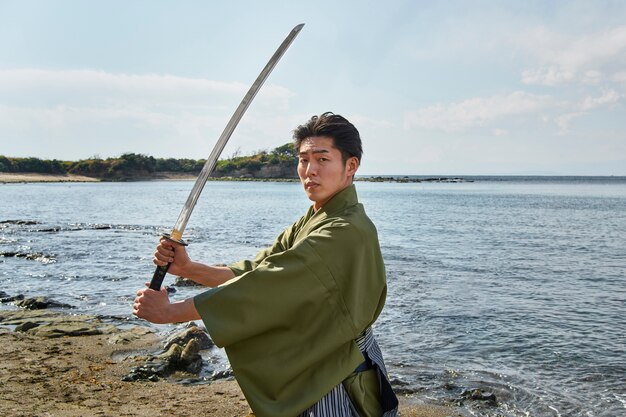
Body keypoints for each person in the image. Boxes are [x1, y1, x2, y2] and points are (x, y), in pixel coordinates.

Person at [133, 112, 399, 417]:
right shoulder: (316, 219)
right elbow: (256, 269)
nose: (309, 170)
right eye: (303, 159)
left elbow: (265, 285)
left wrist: (173, 312)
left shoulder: (345, 229)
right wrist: (189, 268)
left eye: (322, 159)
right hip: (317, 364)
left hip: (337, 372)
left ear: (350, 166)